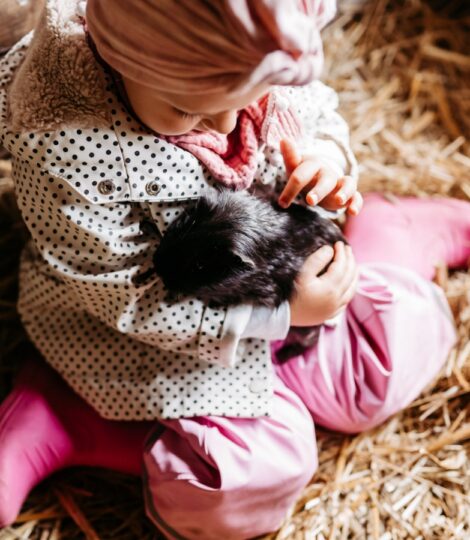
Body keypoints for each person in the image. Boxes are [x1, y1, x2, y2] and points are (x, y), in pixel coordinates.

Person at [0, 1, 468, 538]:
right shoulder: (65, 140)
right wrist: (283, 316)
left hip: (288, 261)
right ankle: (71, 417)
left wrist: (327, 165)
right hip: (152, 333)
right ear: (116, 52)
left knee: (387, 356)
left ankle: (395, 233)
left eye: (249, 101)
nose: (225, 125)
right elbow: (124, 296)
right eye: (185, 110)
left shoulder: (260, 57)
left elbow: (318, 114)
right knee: (243, 478)